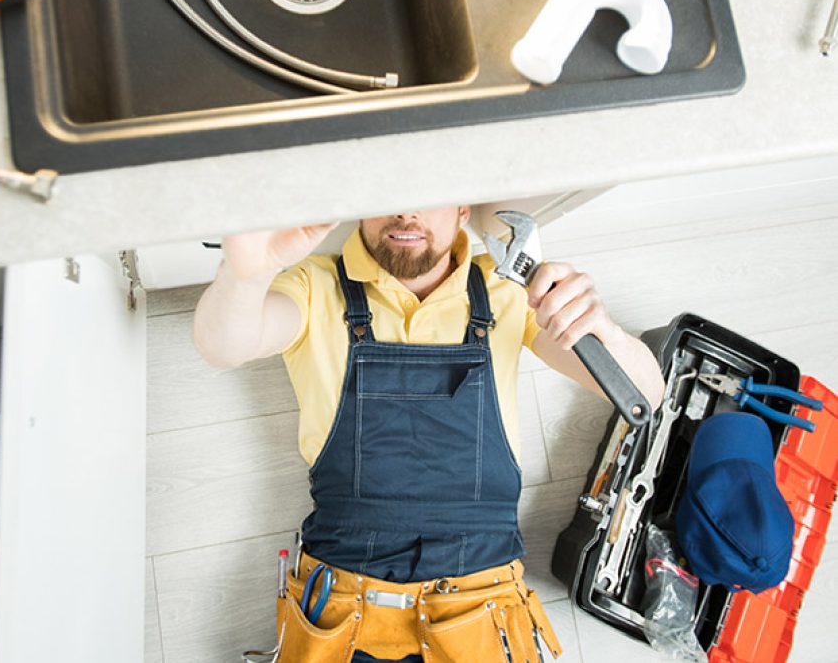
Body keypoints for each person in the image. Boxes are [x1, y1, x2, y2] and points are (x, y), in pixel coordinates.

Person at [194, 206, 665, 662]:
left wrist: (598, 326)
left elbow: (645, 392)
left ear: (463, 208)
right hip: (343, 611)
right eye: (388, 195)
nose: (406, 213)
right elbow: (222, 344)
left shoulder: (507, 290)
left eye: (427, 194)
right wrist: (246, 274)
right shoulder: (315, 285)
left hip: (482, 610)